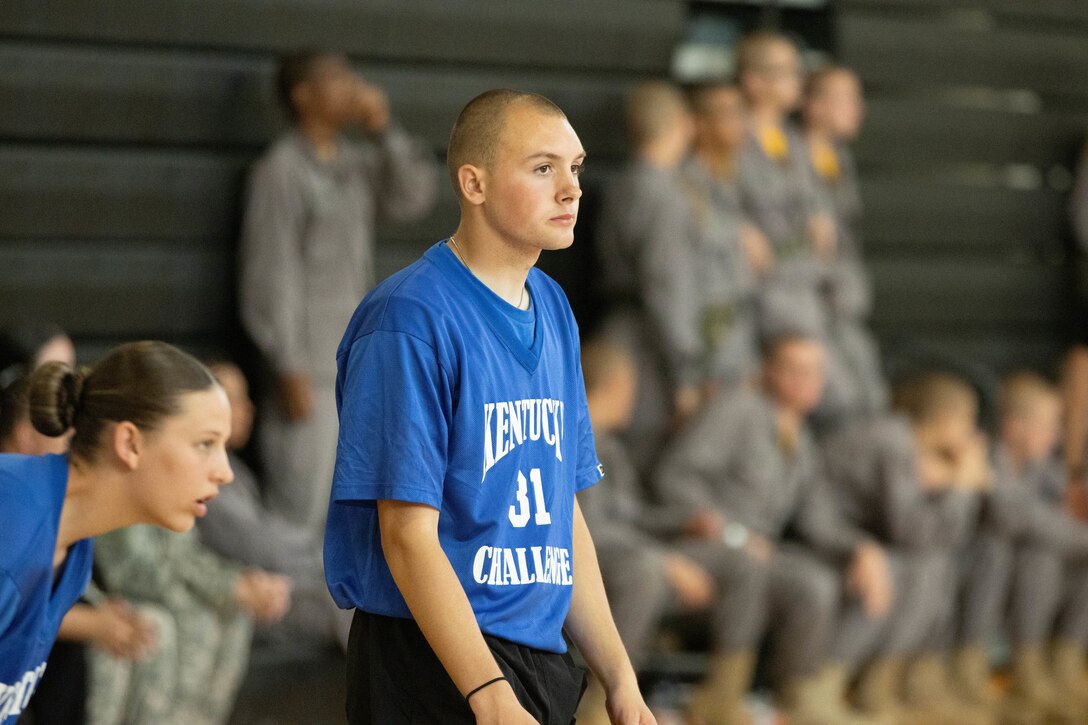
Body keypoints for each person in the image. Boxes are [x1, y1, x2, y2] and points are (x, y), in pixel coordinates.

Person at [324, 89, 655, 724]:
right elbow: (405, 534)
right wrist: (487, 692)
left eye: (576, 167)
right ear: (472, 184)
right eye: (542, 168)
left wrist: (618, 675)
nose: (570, 190)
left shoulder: (553, 307)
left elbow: (563, 514)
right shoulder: (409, 319)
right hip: (433, 659)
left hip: (538, 655)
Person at [239, 50, 439, 532]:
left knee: (354, 514)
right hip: (308, 372)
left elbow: (415, 197)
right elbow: (269, 273)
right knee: (298, 513)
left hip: (359, 363)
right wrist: (288, 365)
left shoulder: (357, 163)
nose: (352, 84)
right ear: (302, 95)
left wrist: (384, 130)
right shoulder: (281, 170)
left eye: (353, 73)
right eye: (335, 77)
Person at [652, 333, 892, 725]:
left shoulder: (801, 435)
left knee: (818, 582)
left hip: (758, 553)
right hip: (702, 544)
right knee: (776, 574)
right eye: (793, 369)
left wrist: (861, 549)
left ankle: (797, 696)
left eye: (815, 371)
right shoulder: (736, 410)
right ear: (767, 371)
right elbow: (676, 478)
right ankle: (721, 695)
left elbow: (817, 518)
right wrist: (734, 534)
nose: (806, 380)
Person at [0, 341, 233, 725]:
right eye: (205, 444)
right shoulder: (14, 525)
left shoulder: (72, 545)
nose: (225, 471)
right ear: (129, 443)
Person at [576, 337, 757, 724]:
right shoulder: (577, 437)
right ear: (616, 384)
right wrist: (669, 559)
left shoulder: (613, 447)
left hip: (635, 548)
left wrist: (684, 523)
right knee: (646, 570)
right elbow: (589, 530)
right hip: (599, 561)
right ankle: (601, 701)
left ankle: (721, 697)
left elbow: (631, 516)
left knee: (739, 564)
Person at [822, 372, 994, 725]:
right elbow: (911, 530)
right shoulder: (892, 440)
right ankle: (862, 688)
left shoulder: (908, 443)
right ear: (946, 419)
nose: (971, 433)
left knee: (939, 561)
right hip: (826, 539)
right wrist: (960, 487)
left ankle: (896, 681)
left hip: (861, 538)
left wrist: (956, 485)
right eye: (968, 420)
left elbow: (948, 536)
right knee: (920, 563)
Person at [956, 373, 1088, 723]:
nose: (1055, 436)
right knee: (1023, 548)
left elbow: (1066, 506)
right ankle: (976, 668)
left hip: (1019, 578)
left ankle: (1056, 665)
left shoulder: (1041, 467)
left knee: (1048, 554)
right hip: (971, 576)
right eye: (1046, 426)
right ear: (1014, 428)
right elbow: (1016, 517)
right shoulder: (986, 457)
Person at [197, 361, 351, 650]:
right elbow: (261, 548)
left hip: (269, 581)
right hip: (239, 598)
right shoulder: (203, 476)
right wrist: (336, 559)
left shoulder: (235, 469)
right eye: (234, 400)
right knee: (350, 605)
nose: (248, 408)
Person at [594, 81, 699, 468]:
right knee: (644, 453)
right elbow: (667, 288)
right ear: (683, 124)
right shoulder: (662, 193)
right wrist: (684, 375)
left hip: (624, 329)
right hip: (650, 342)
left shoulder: (626, 183)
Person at [801, 64, 888, 422]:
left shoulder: (838, 159)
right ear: (814, 104)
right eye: (846, 99)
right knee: (842, 406)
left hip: (844, 310)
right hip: (809, 312)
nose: (858, 109)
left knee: (875, 401)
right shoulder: (788, 156)